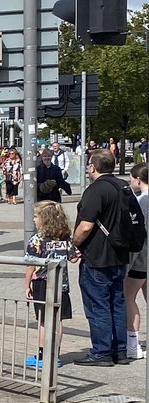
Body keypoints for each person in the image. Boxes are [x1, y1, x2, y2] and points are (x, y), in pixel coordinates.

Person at [72, 149, 135, 366]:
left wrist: (74, 244)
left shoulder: (95, 190)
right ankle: (120, 350)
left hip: (97, 256)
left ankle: (101, 352)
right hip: (120, 253)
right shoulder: (123, 186)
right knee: (117, 302)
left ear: (93, 167)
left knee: (98, 304)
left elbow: (86, 225)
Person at [23, 201, 79, 369]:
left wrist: (27, 285)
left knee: (44, 322)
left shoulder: (36, 240)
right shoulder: (64, 238)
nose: (33, 219)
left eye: (35, 216)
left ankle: (42, 356)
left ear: (44, 220)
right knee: (57, 320)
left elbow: (30, 266)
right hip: (61, 284)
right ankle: (56, 355)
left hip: (42, 283)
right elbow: (74, 258)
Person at [124, 163, 148, 360]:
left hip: (140, 259)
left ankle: (133, 344)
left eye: (132, 178)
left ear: (138, 180)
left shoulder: (139, 202)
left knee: (129, 298)